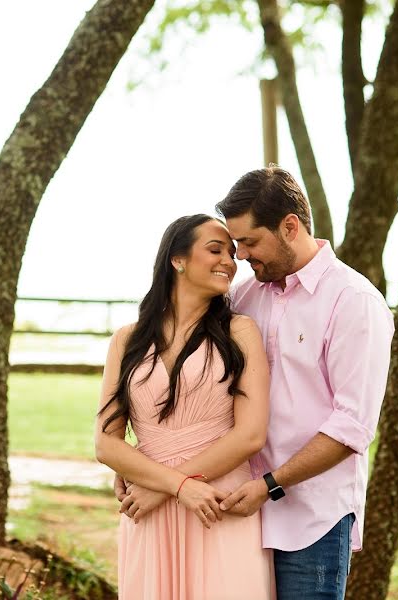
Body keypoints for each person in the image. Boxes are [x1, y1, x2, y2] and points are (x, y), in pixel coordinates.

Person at [215, 166, 393, 598]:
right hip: (237, 513)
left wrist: (270, 485)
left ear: (290, 226)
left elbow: (352, 425)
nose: (240, 255)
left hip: (313, 521)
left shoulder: (354, 301)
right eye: (236, 243)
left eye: (250, 242)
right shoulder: (243, 297)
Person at [95, 214, 275, 600]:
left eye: (232, 252)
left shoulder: (239, 331)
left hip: (217, 504)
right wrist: (175, 488)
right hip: (148, 511)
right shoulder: (127, 340)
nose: (229, 260)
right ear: (177, 259)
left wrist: (173, 487)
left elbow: (250, 435)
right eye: (215, 249)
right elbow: (106, 444)